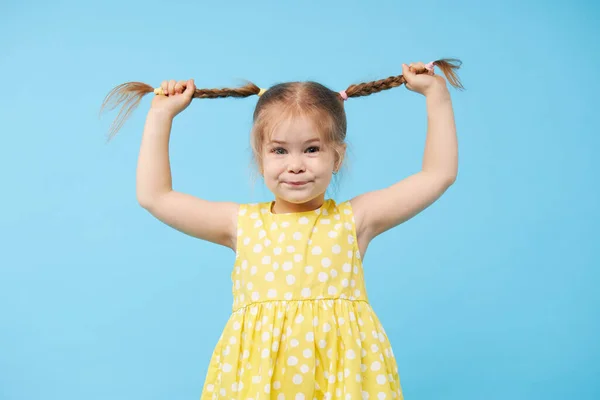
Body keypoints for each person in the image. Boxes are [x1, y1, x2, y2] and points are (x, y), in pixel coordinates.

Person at [101, 59, 463, 399]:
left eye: (311, 149)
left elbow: (438, 174)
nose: (295, 165)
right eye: (279, 151)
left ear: (336, 157)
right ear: (259, 159)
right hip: (258, 381)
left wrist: (437, 95)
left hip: (343, 379)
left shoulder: (355, 219)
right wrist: (161, 115)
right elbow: (155, 196)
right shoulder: (240, 225)